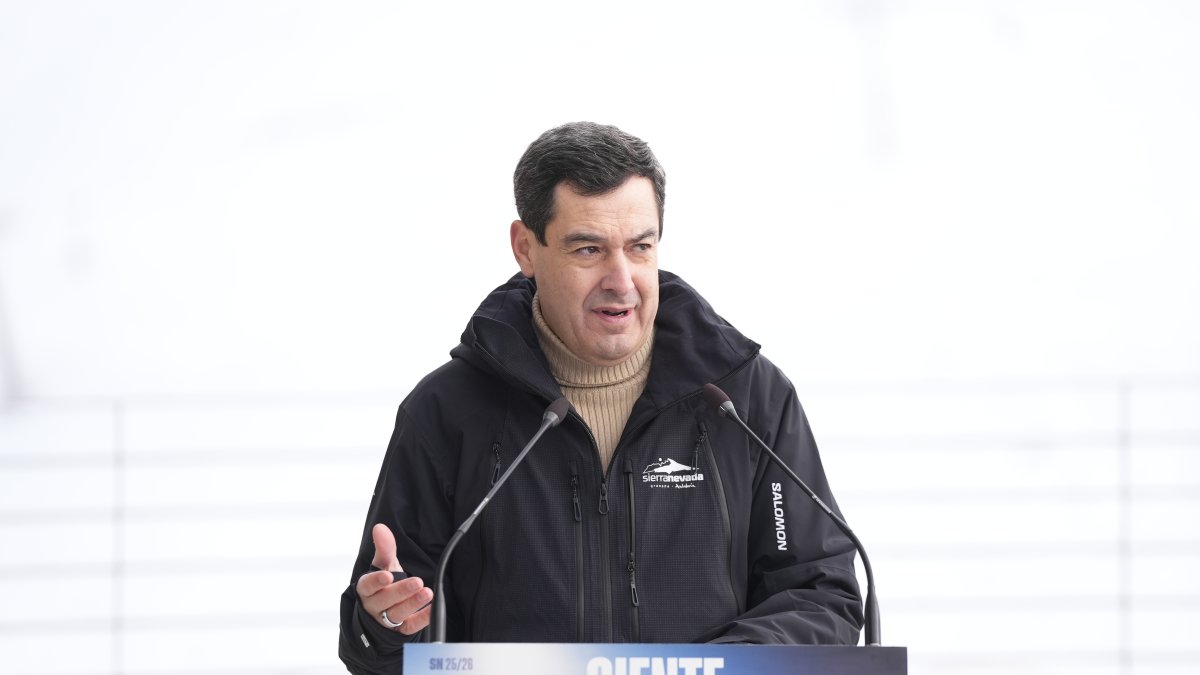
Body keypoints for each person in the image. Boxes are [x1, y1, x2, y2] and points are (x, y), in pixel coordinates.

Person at [338, 122, 863, 673]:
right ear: (526, 248)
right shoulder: (447, 411)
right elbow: (382, 639)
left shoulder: (746, 399)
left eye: (640, 248)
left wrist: (723, 668)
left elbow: (820, 594)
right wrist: (386, 623)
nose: (622, 279)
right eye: (588, 249)